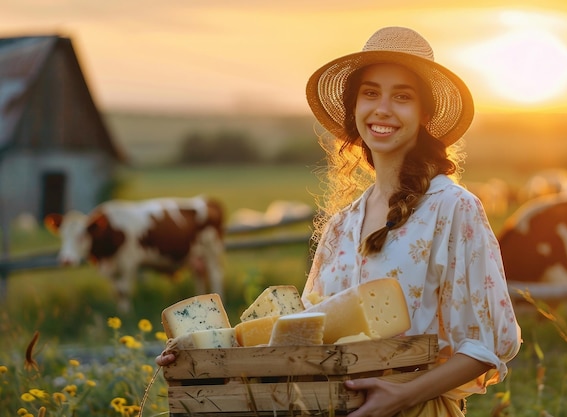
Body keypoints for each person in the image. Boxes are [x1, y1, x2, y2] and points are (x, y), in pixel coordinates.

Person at [157, 26, 522, 417]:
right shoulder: (341, 226)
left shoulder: (453, 209)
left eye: (402, 96)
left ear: (425, 114)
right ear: (354, 109)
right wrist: (203, 362)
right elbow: (302, 344)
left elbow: (485, 346)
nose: (382, 108)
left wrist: (402, 396)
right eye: (370, 93)